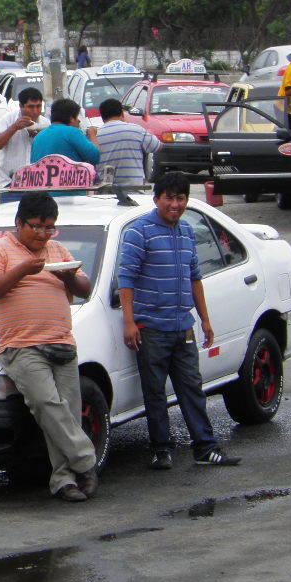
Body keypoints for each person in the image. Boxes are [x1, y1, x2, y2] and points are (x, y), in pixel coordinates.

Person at [0, 193, 98, 502]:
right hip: (22, 345)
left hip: (61, 341)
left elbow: (85, 289)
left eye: (49, 228)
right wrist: (22, 270)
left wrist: (69, 276)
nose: (43, 234)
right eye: (36, 227)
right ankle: (86, 461)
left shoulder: (57, 249)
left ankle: (64, 481)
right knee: (46, 405)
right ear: (19, 223)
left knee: (67, 413)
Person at [118, 170, 239, 470]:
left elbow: (195, 277)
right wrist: (130, 322)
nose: (175, 204)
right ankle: (161, 450)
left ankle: (205, 448)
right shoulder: (139, 231)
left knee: (192, 388)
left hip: (182, 327)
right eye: (169, 197)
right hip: (151, 330)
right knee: (155, 393)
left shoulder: (186, 232)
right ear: (156, 199)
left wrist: (204, 320)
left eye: (181, 198)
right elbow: (126, 279)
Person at [0, 86, 45, 188]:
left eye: (38, 106)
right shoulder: (7, 120)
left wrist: (38, 137)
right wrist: (14, 128)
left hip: (37, 182)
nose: (35, 111)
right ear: (21, 106)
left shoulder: (45, 122)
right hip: (11, 182)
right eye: (31, 107)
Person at [96, 97, 160, 185]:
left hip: (105, 192)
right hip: (134, 189)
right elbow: (156, 146)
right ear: (122, 113)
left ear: (102, 117)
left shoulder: (96, 135)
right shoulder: (136, 130)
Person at [30, 99, 101, 166]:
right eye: (77, 118)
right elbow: (94, 157)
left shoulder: (38, 137)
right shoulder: (72, 132)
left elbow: (33, 164)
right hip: (70, 178)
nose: (79, 122)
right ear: (71, 119)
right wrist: (92, 134)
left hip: (44, 178)